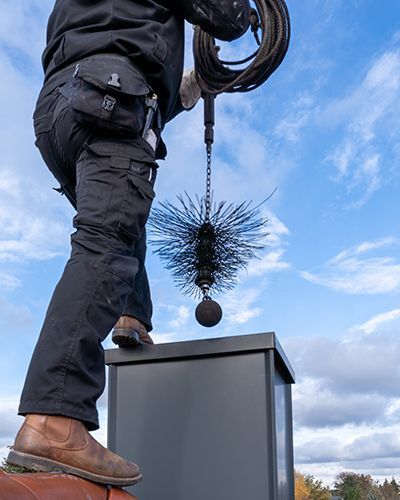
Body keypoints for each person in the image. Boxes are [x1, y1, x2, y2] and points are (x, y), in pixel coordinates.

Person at [7, 0, 250, 487]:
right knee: (108, 239)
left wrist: (182, 93)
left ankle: (131, 316)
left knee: (119, 219)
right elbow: (228, 17)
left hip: (61, 109)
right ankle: (55, 419)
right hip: (107, 95)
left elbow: (115, 48)